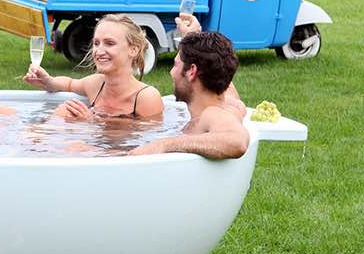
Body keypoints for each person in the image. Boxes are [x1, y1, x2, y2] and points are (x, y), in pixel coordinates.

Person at [129, 21, 249, 159]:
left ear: (191, 71)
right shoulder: (230, 104)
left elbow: (237, 142)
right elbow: (219, 65)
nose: (171, 72)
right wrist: (194, 38)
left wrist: (163, 144)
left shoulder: (211, 114)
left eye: (175, 65)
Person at [23, 14, 163, 120]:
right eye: (96, 43)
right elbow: (69, 84)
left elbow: (148, 138)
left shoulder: (146, 97)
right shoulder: (96, 84)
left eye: (109, 43)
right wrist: (48, 81)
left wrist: (92, 121)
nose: (99, 51)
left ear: (133, 49)